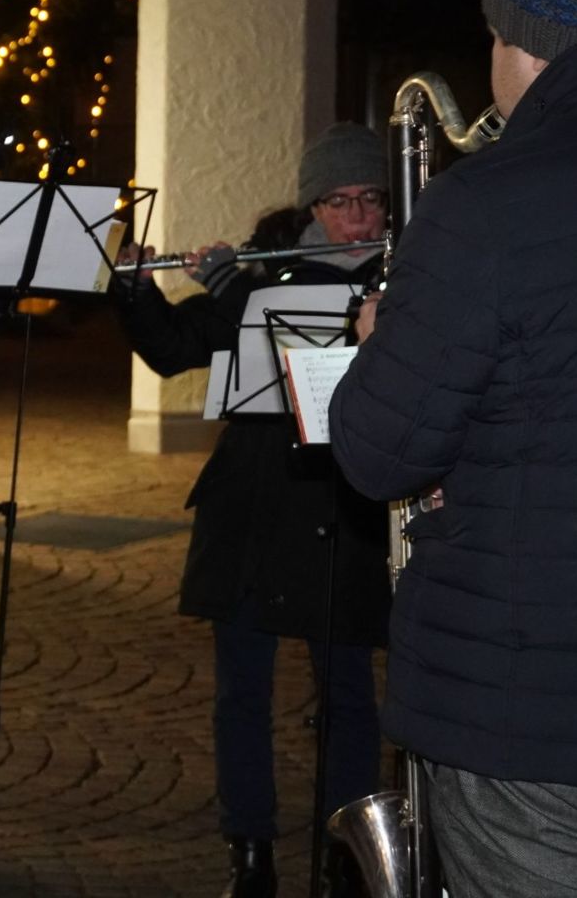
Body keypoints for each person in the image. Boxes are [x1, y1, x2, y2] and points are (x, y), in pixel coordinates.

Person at [329, 0, 577, 898]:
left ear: (525, 43)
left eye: (493, 34)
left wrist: (379, 344)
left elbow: (378, 452)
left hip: (533, 719)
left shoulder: (487, 201)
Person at [119, 122, 392, 898]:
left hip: (343, 510)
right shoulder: (271, 273)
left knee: (347, 693)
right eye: (338, 201)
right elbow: (173, 349)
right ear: (313, 206)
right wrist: (135, 287)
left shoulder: (405, 281)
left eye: (370, 199)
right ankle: (249, 851)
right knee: (242, 690)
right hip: (252, 503)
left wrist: (235, 288)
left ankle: (348, 853)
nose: (356, 218)